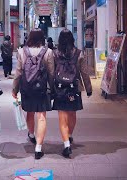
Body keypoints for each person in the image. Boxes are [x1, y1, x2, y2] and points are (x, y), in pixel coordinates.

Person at [12, 28, 54, 160]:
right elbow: (51, 73)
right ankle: (38, 148)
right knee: (41, 117)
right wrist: (52, 89)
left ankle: (31, 134)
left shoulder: (21, 51)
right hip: (42, 90)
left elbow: (18, 73)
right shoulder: (48, 52)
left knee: (30, 112)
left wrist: (14, 90)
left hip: (27, 88)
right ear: (43, 38)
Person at [52, 29, 92, 158]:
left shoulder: (54, 54)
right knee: (72, 114)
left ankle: (66, 145)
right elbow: (84, 72)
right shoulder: (79, 53)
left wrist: (49, 88)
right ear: (72, 39)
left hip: (59, 88)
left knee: (62, 117)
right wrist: (89, 88)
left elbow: (51, 73)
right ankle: (69, 136)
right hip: (73, 88)